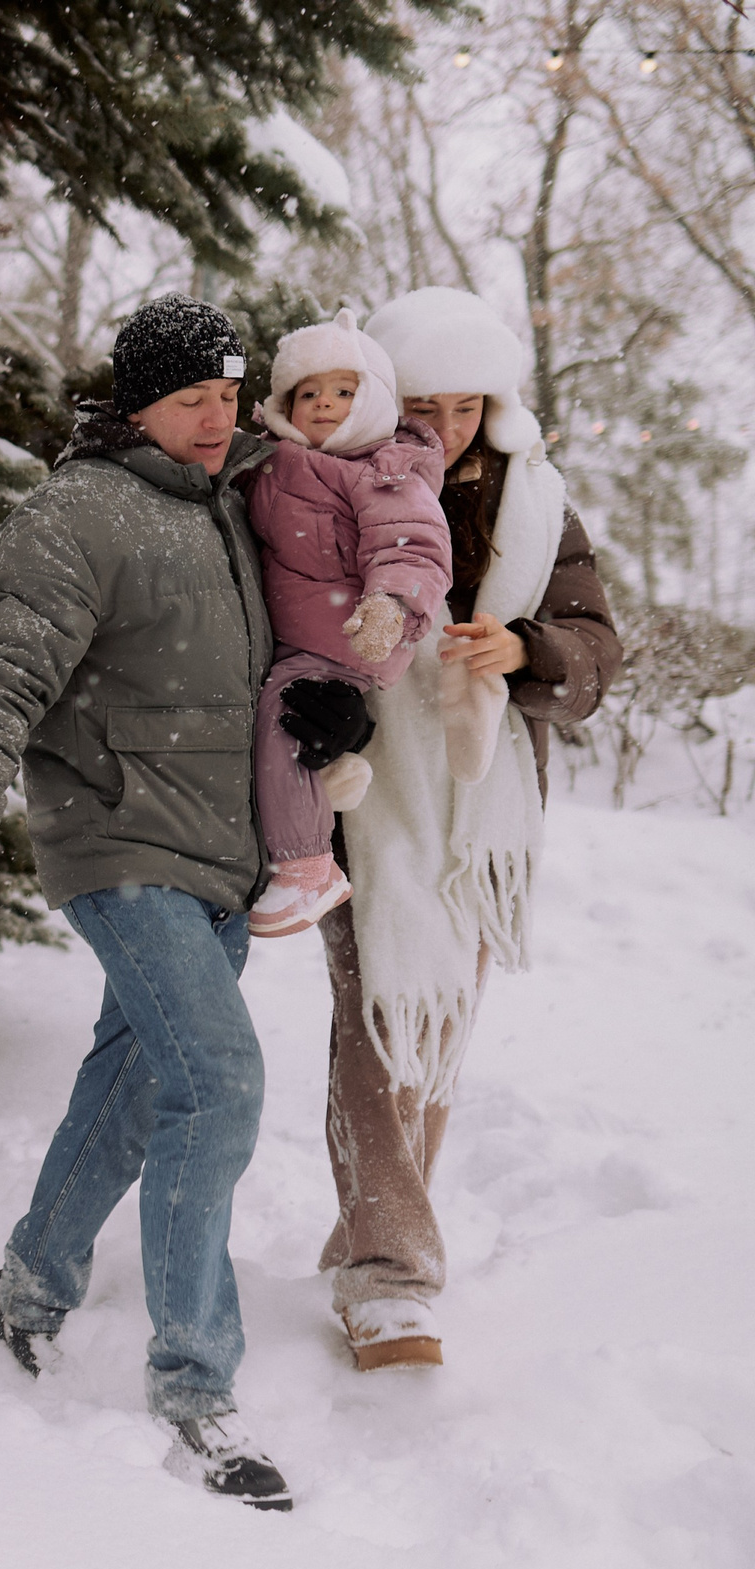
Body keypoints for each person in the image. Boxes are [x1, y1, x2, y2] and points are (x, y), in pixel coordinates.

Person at [0, 296, 294, 1510]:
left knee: (134, 1083)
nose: (218, 421)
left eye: (231, 397)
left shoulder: (241, 495)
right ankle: (195, 1388)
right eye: (192, 402)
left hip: (224, 849)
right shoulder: (80, 511)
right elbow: (7, 665)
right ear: (134, 404)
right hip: (117, 841)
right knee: (215, 1079)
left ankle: (29, 1287)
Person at [313, 287, 623, 1370]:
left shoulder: (538, 500)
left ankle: (373, 1232)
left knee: (435, 1031)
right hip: (364, 791)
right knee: (375, 1024)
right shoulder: (340, 479)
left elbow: (595, 643)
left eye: (464, 406)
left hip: (485, 811)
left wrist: (529, 651)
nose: (442, 430)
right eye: (423, 406)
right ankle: (390, 1274)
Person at [240, 309, 454, 937]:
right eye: (309, 393)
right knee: (275, 727)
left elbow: (414, 547)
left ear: (375, 402)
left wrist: (392, 604)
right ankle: (317, 791)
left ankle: (308, 865)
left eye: (344, 391)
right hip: (296, 634)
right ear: (285, 402)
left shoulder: (385, 469)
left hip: (345, 636)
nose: (325, 404)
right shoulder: (274, 462)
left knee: (284, 718)